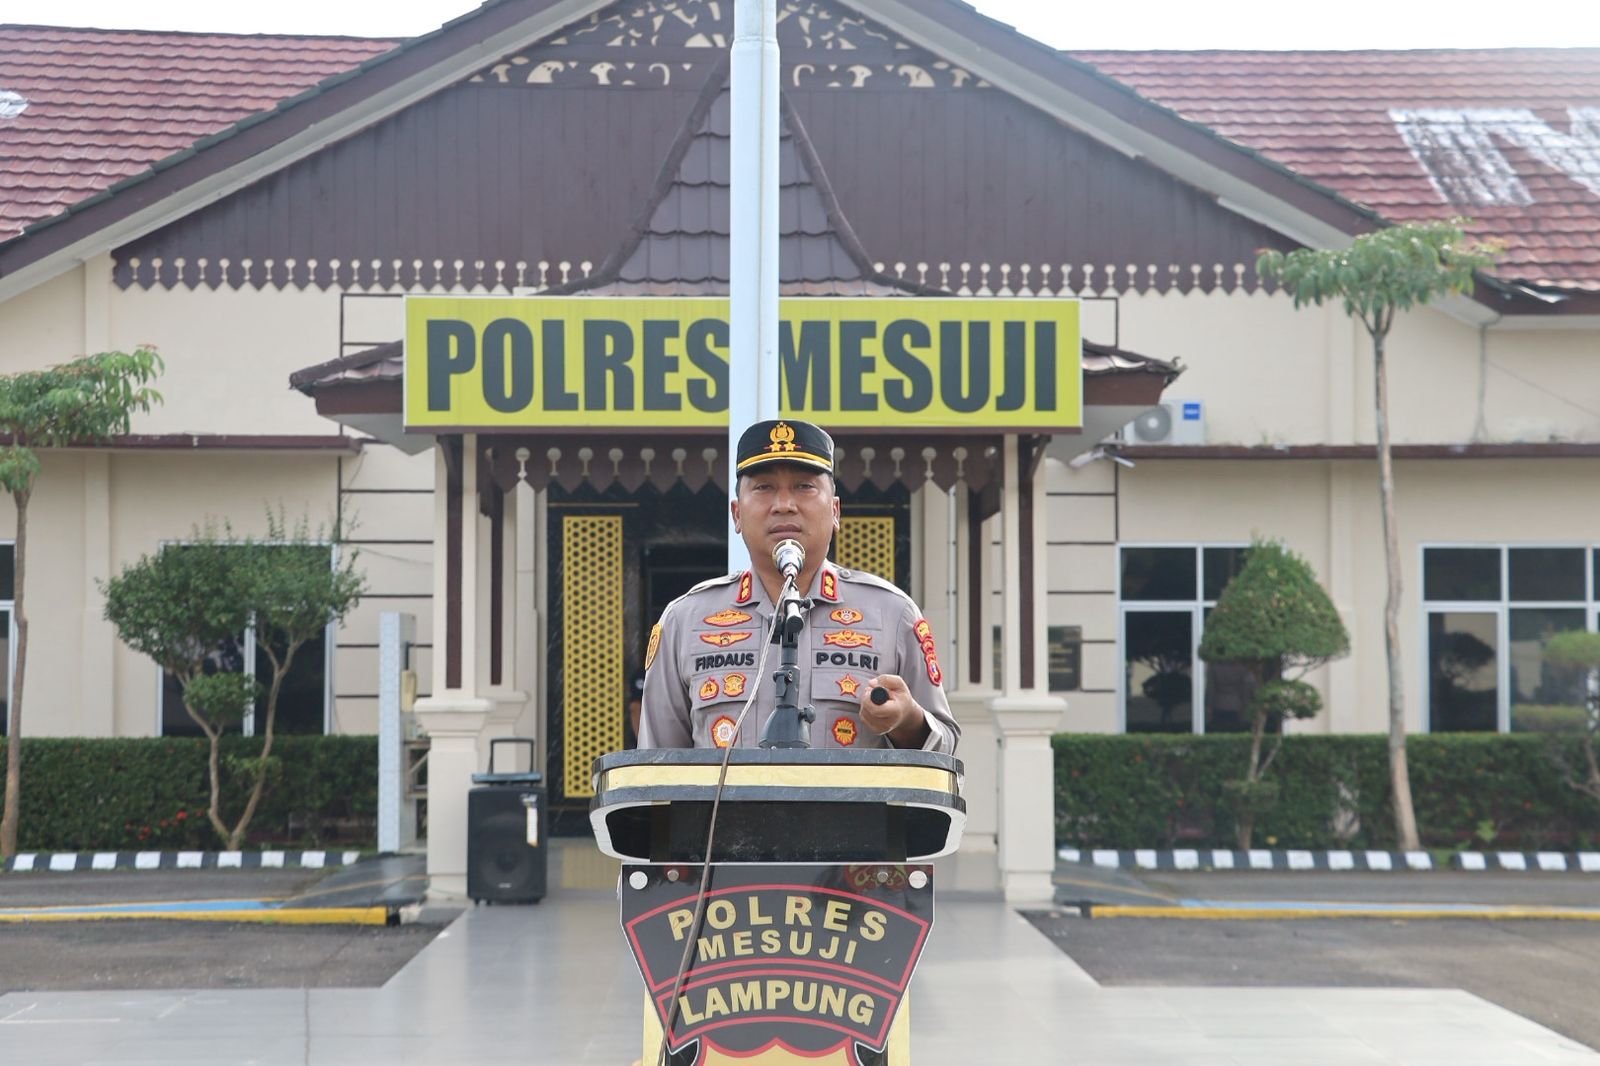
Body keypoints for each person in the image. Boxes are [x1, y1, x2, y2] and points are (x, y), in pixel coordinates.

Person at [638, 419, 958, 753]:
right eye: (764, 487)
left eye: (804, 486)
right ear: (737, 514)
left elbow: (945, 748)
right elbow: (654, 763)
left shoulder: (892, 614)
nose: (784, 504)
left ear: (835, 511)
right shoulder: (686, 620)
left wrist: (907, 722)